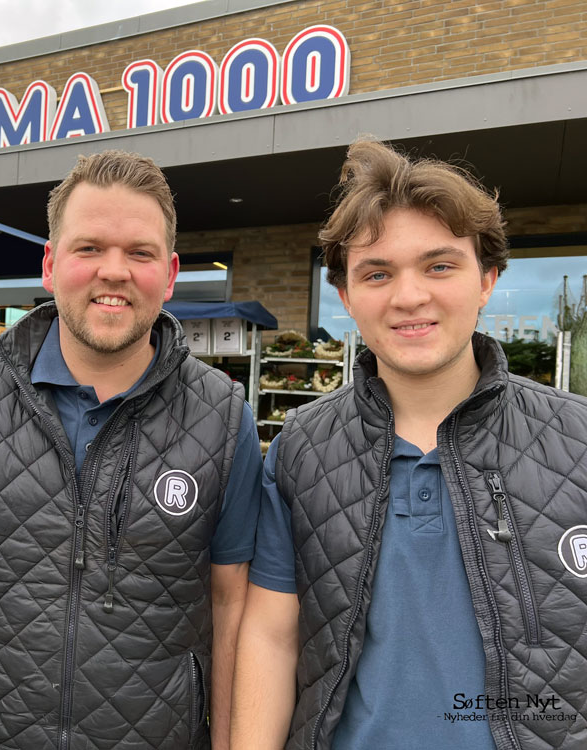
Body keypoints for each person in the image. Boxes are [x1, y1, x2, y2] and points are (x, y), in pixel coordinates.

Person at [0, 150, 262, 749]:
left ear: (168, 275)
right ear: (51, 265)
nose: (114, 271)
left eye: (139, 253)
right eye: (89, 249)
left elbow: (232, 601)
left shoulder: (224, 416)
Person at [231, 139, 587, 749]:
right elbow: (271, 634)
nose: (409, 296)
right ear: (345, 298)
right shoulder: (302, 448)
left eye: (440, 265)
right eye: (377, 273)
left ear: (487, 280)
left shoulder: (576, 438)